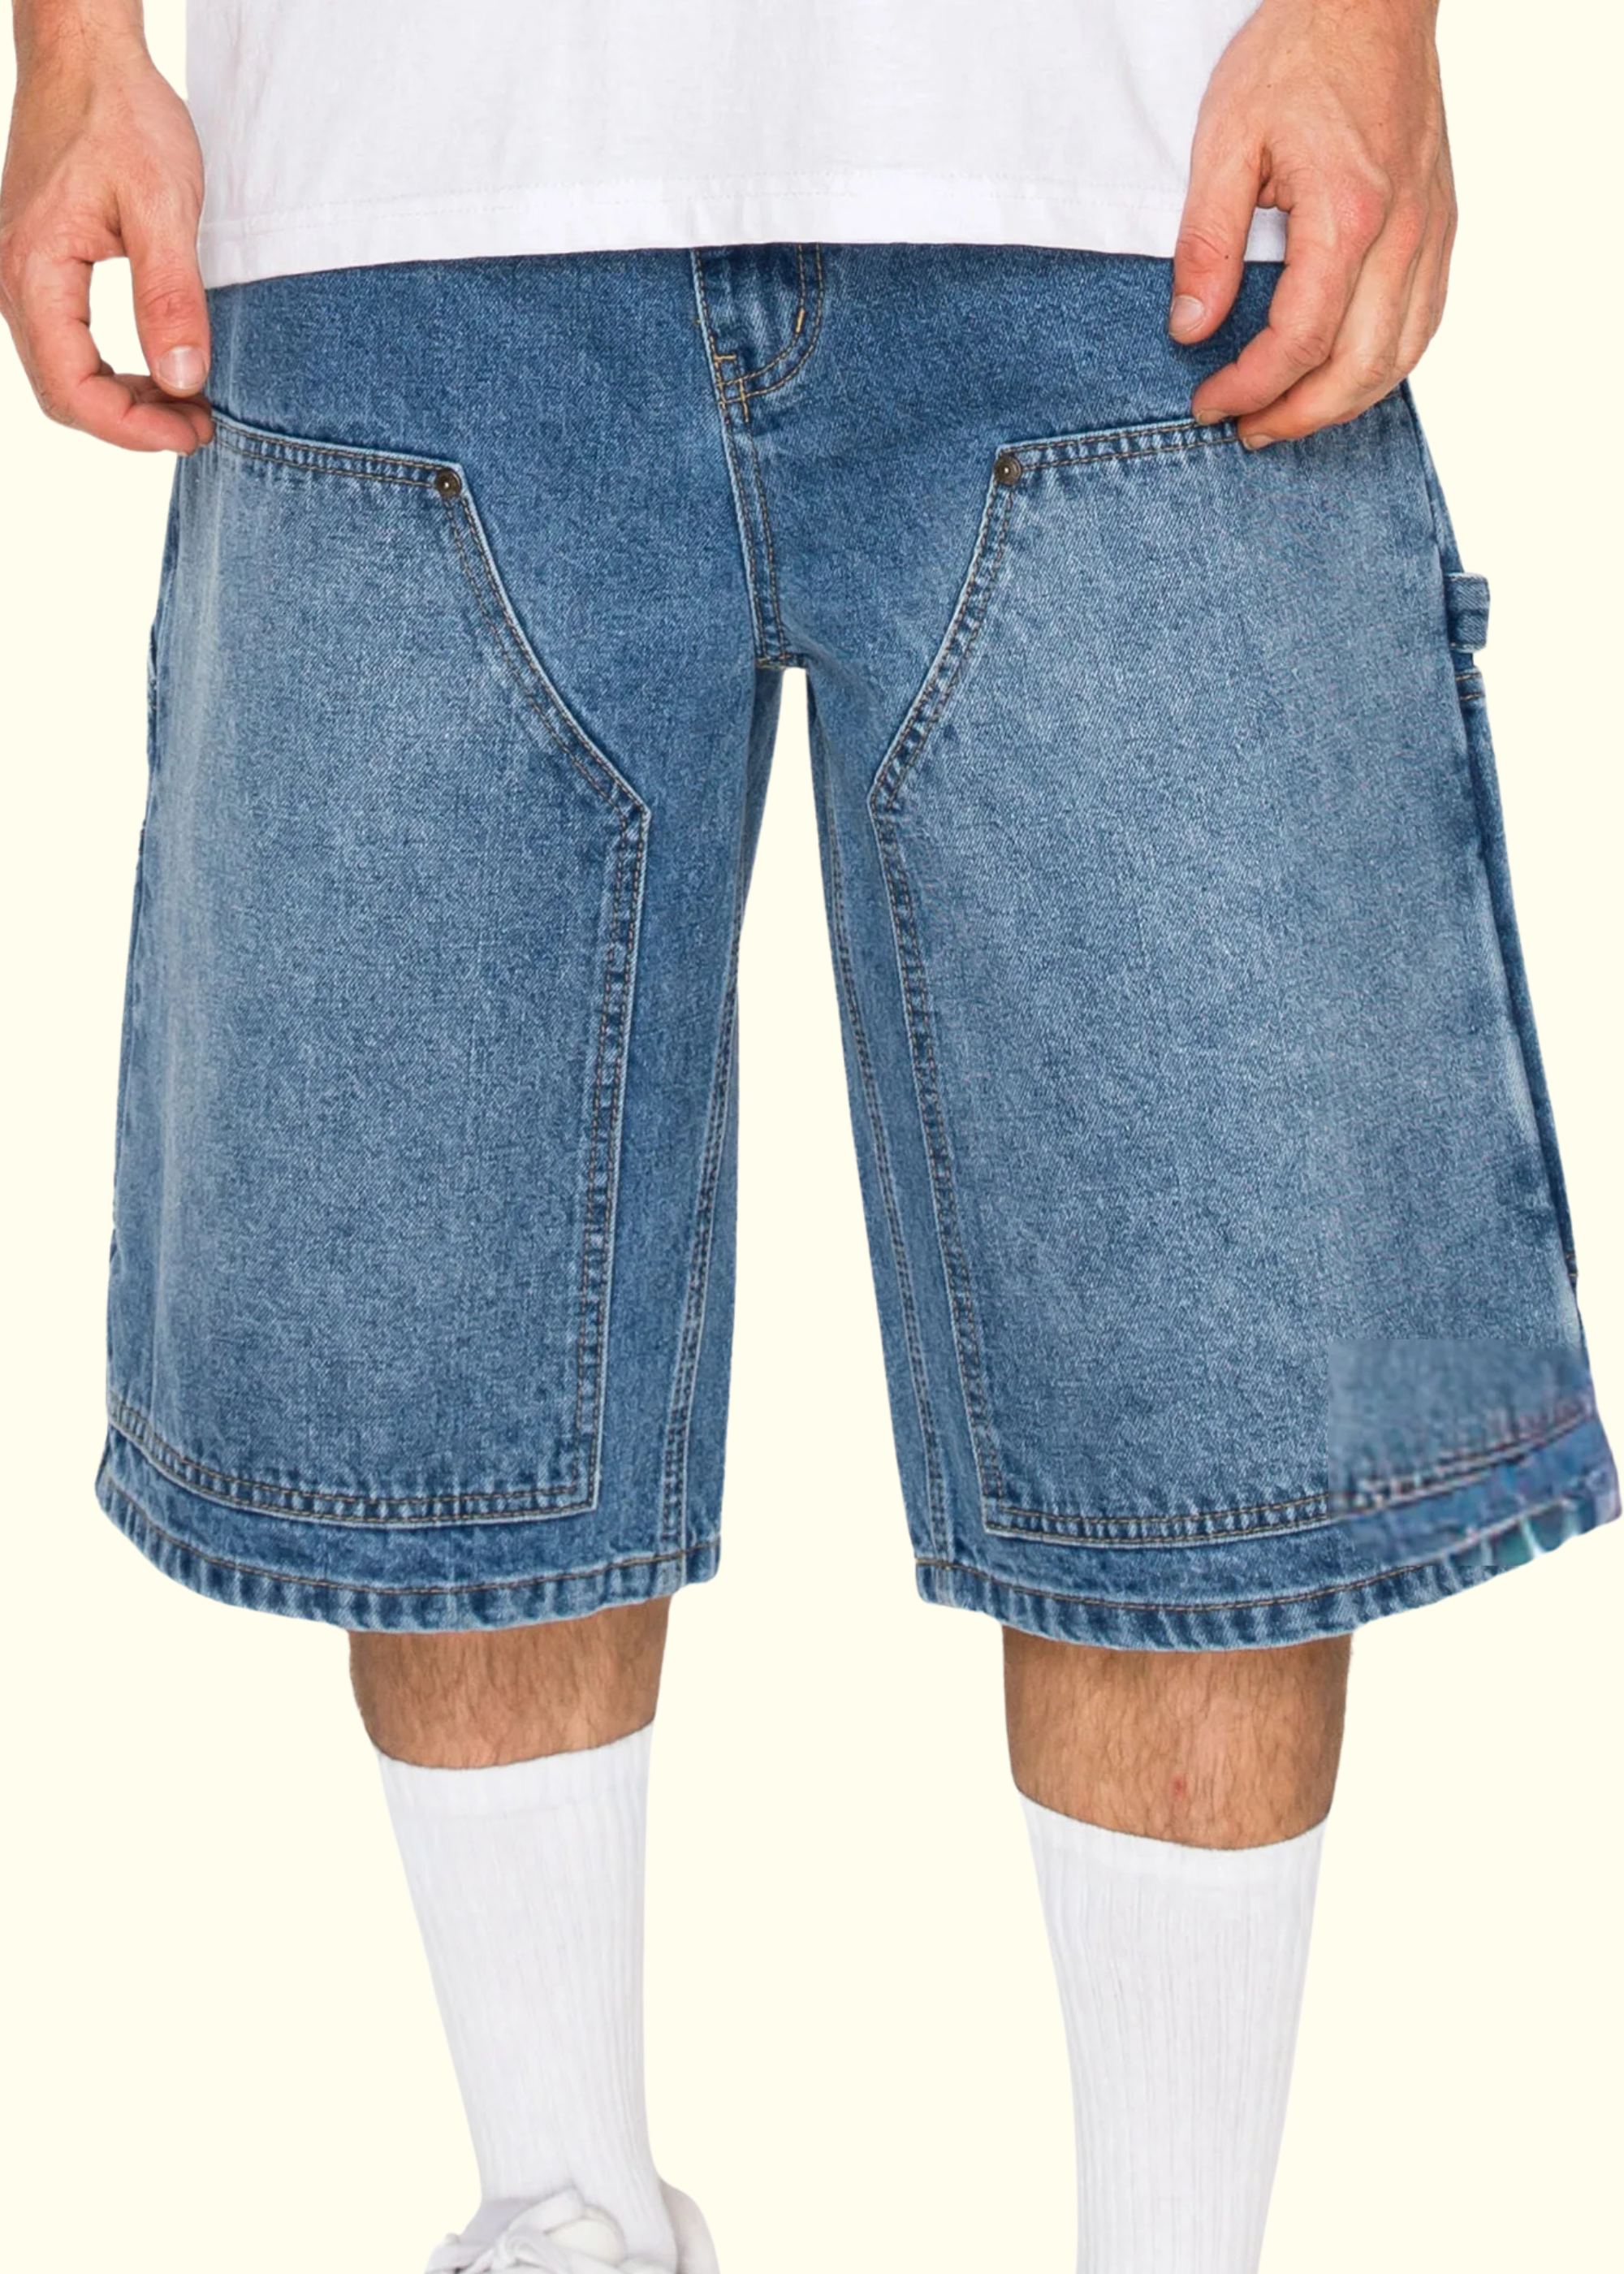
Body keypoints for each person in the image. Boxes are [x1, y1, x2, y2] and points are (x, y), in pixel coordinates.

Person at [2, 1, 1615, 2268]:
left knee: (1208, 1354)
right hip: (397, 162)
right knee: (432, 1334)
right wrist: (73, 46)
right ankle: (563, 2211)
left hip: (1130, 161)